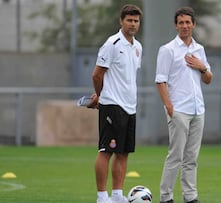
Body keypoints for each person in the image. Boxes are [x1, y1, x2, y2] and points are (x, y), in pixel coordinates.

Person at [155, 7, 213, 203]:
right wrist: (169, 106)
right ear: (176, 25)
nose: (185, 26)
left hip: (198, 110)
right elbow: (160, 80)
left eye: (188, 22)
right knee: (176, 156)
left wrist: (202, 66)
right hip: (178, 110)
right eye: (181, 23)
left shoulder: (199, 50)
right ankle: (166, 197)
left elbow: (208, 79)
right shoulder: (168, 50)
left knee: (191, 158)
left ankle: (190, 197)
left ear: (193, 24)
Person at [87, 4, 143, 203]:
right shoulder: (112, 43)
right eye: (129, 20)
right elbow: (97, 74)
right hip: (112, 104)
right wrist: (99, 96)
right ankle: (102, 197)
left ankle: (118, 195)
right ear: (121, 21)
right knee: (107, 150)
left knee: (123, 152)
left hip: (130, 106)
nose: (133, 24)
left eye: (136, 21)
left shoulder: (138, 47)